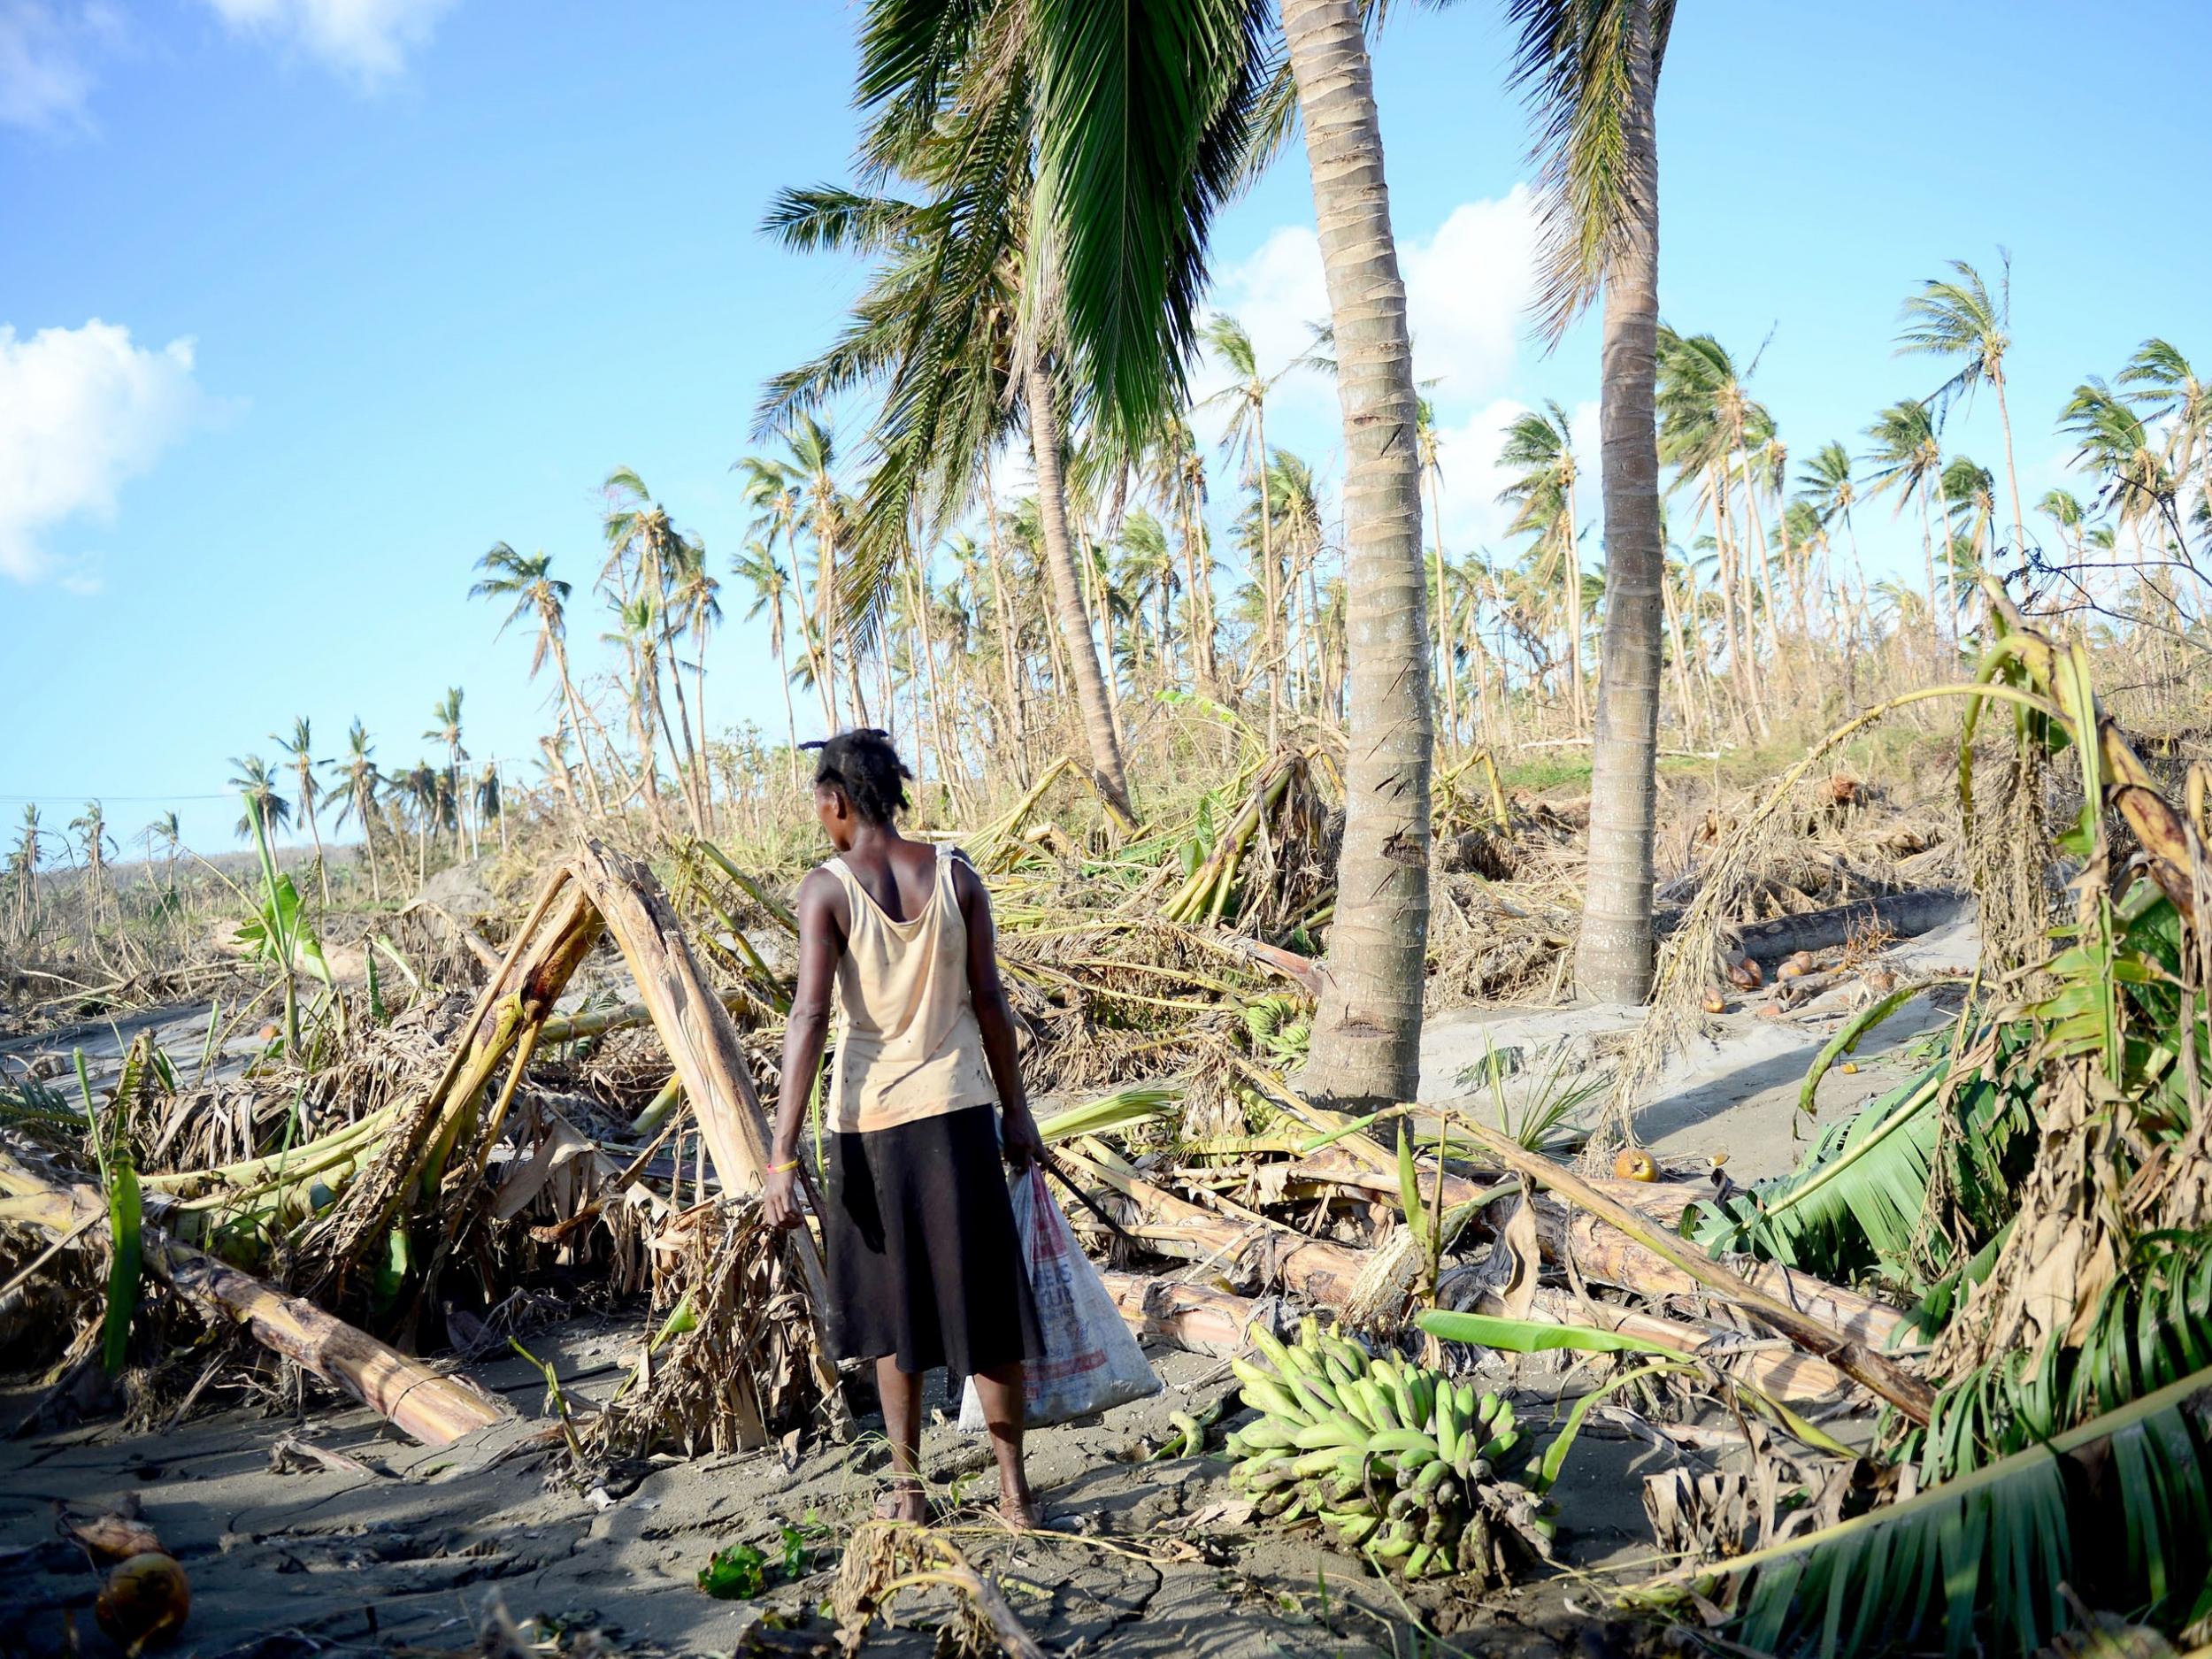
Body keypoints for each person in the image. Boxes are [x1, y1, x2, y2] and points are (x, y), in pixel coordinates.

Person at [761, 728, 1047, 1525]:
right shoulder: (957, 875)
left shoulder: (826, 889)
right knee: (987, 1313)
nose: (820, 817)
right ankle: (1014, 1495)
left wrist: (780, 1156)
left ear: (838, 801)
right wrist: (1017, 1114)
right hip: (960, 1115)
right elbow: (991, 1003)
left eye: (820, 804)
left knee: (894, 1316)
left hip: (872, 1124)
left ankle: (909, 1490)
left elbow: (810, 1015)